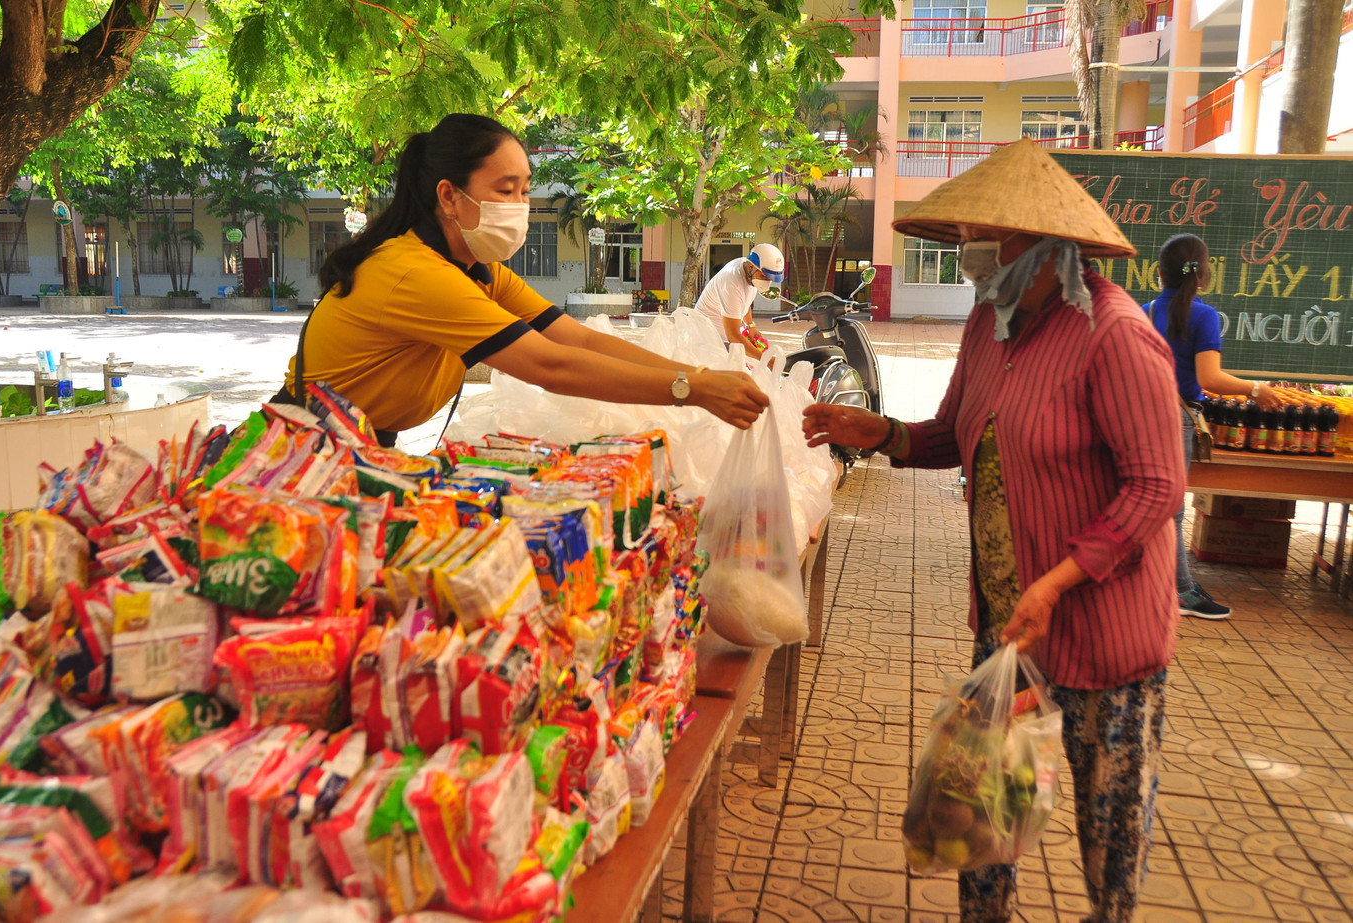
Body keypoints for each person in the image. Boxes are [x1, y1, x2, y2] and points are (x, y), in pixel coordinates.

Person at [802, 139, 1183, 923]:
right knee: (981, 822)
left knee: (1108, 834)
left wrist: (1058, 581)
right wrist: (879, 431)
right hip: (1010, 628)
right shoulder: (990, 322)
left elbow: (1157, 486)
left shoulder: (1115, 334)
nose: (971, 254)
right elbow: (953, 432)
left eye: (988, 239)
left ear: (1046, 247)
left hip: (1103, 636)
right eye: (968, 237)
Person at [271, 114, 768, 444]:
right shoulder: (413, 272)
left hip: (357, 441)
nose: (520, 206)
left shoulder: (479, 272)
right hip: (302, 445)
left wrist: (699, 375)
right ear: (449, 196)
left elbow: (579, 339)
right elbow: (552, 365)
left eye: (525, 191)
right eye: (505, 190)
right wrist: (690, 390)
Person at [1143, 233, 1281, 620]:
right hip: (1175, 420)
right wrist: (1255, 389)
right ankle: (1181, 591)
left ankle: (1153, 584)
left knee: (1146, 501)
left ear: (1159, 274)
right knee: (1172, 510)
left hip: (1140, 417)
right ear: (1204, 276)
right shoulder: (1203, 316)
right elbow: (1210, 378)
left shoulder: (1144, 312)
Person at [693, 243, 784, 358]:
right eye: (764, 277)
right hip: (708, 338)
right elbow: (734, 336)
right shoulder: (732, 284)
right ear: (752, 267)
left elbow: (745, 302)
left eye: (770, 279)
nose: (766, 281)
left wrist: (750, 326)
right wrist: (767, 361)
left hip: (724, 336)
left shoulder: (748, 270)